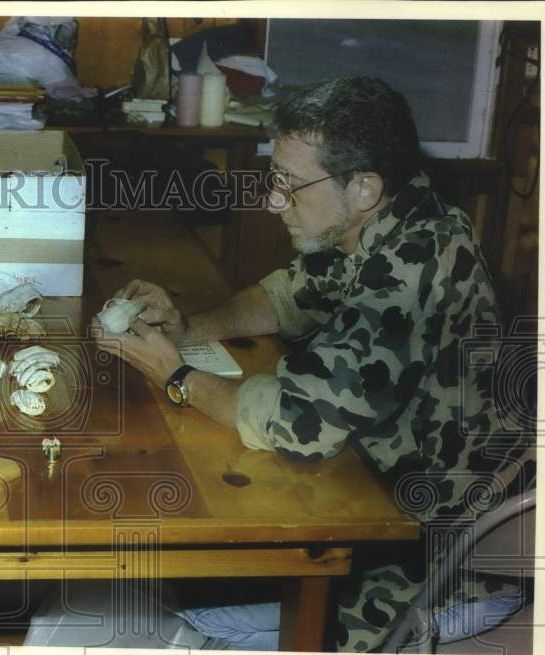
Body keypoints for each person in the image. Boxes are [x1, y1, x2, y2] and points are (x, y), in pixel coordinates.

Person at [81, 77, 534, 651]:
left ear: (363, 187)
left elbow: (302, 423)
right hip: (391, 505)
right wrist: (190, 328)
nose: (274, 202)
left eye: (290, 187)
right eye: (275, 180)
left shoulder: (416, 262)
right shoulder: (394, 214)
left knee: (177, 612)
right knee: (167, 587)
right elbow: (289, 295)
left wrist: (175, 376)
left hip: (441, 562)